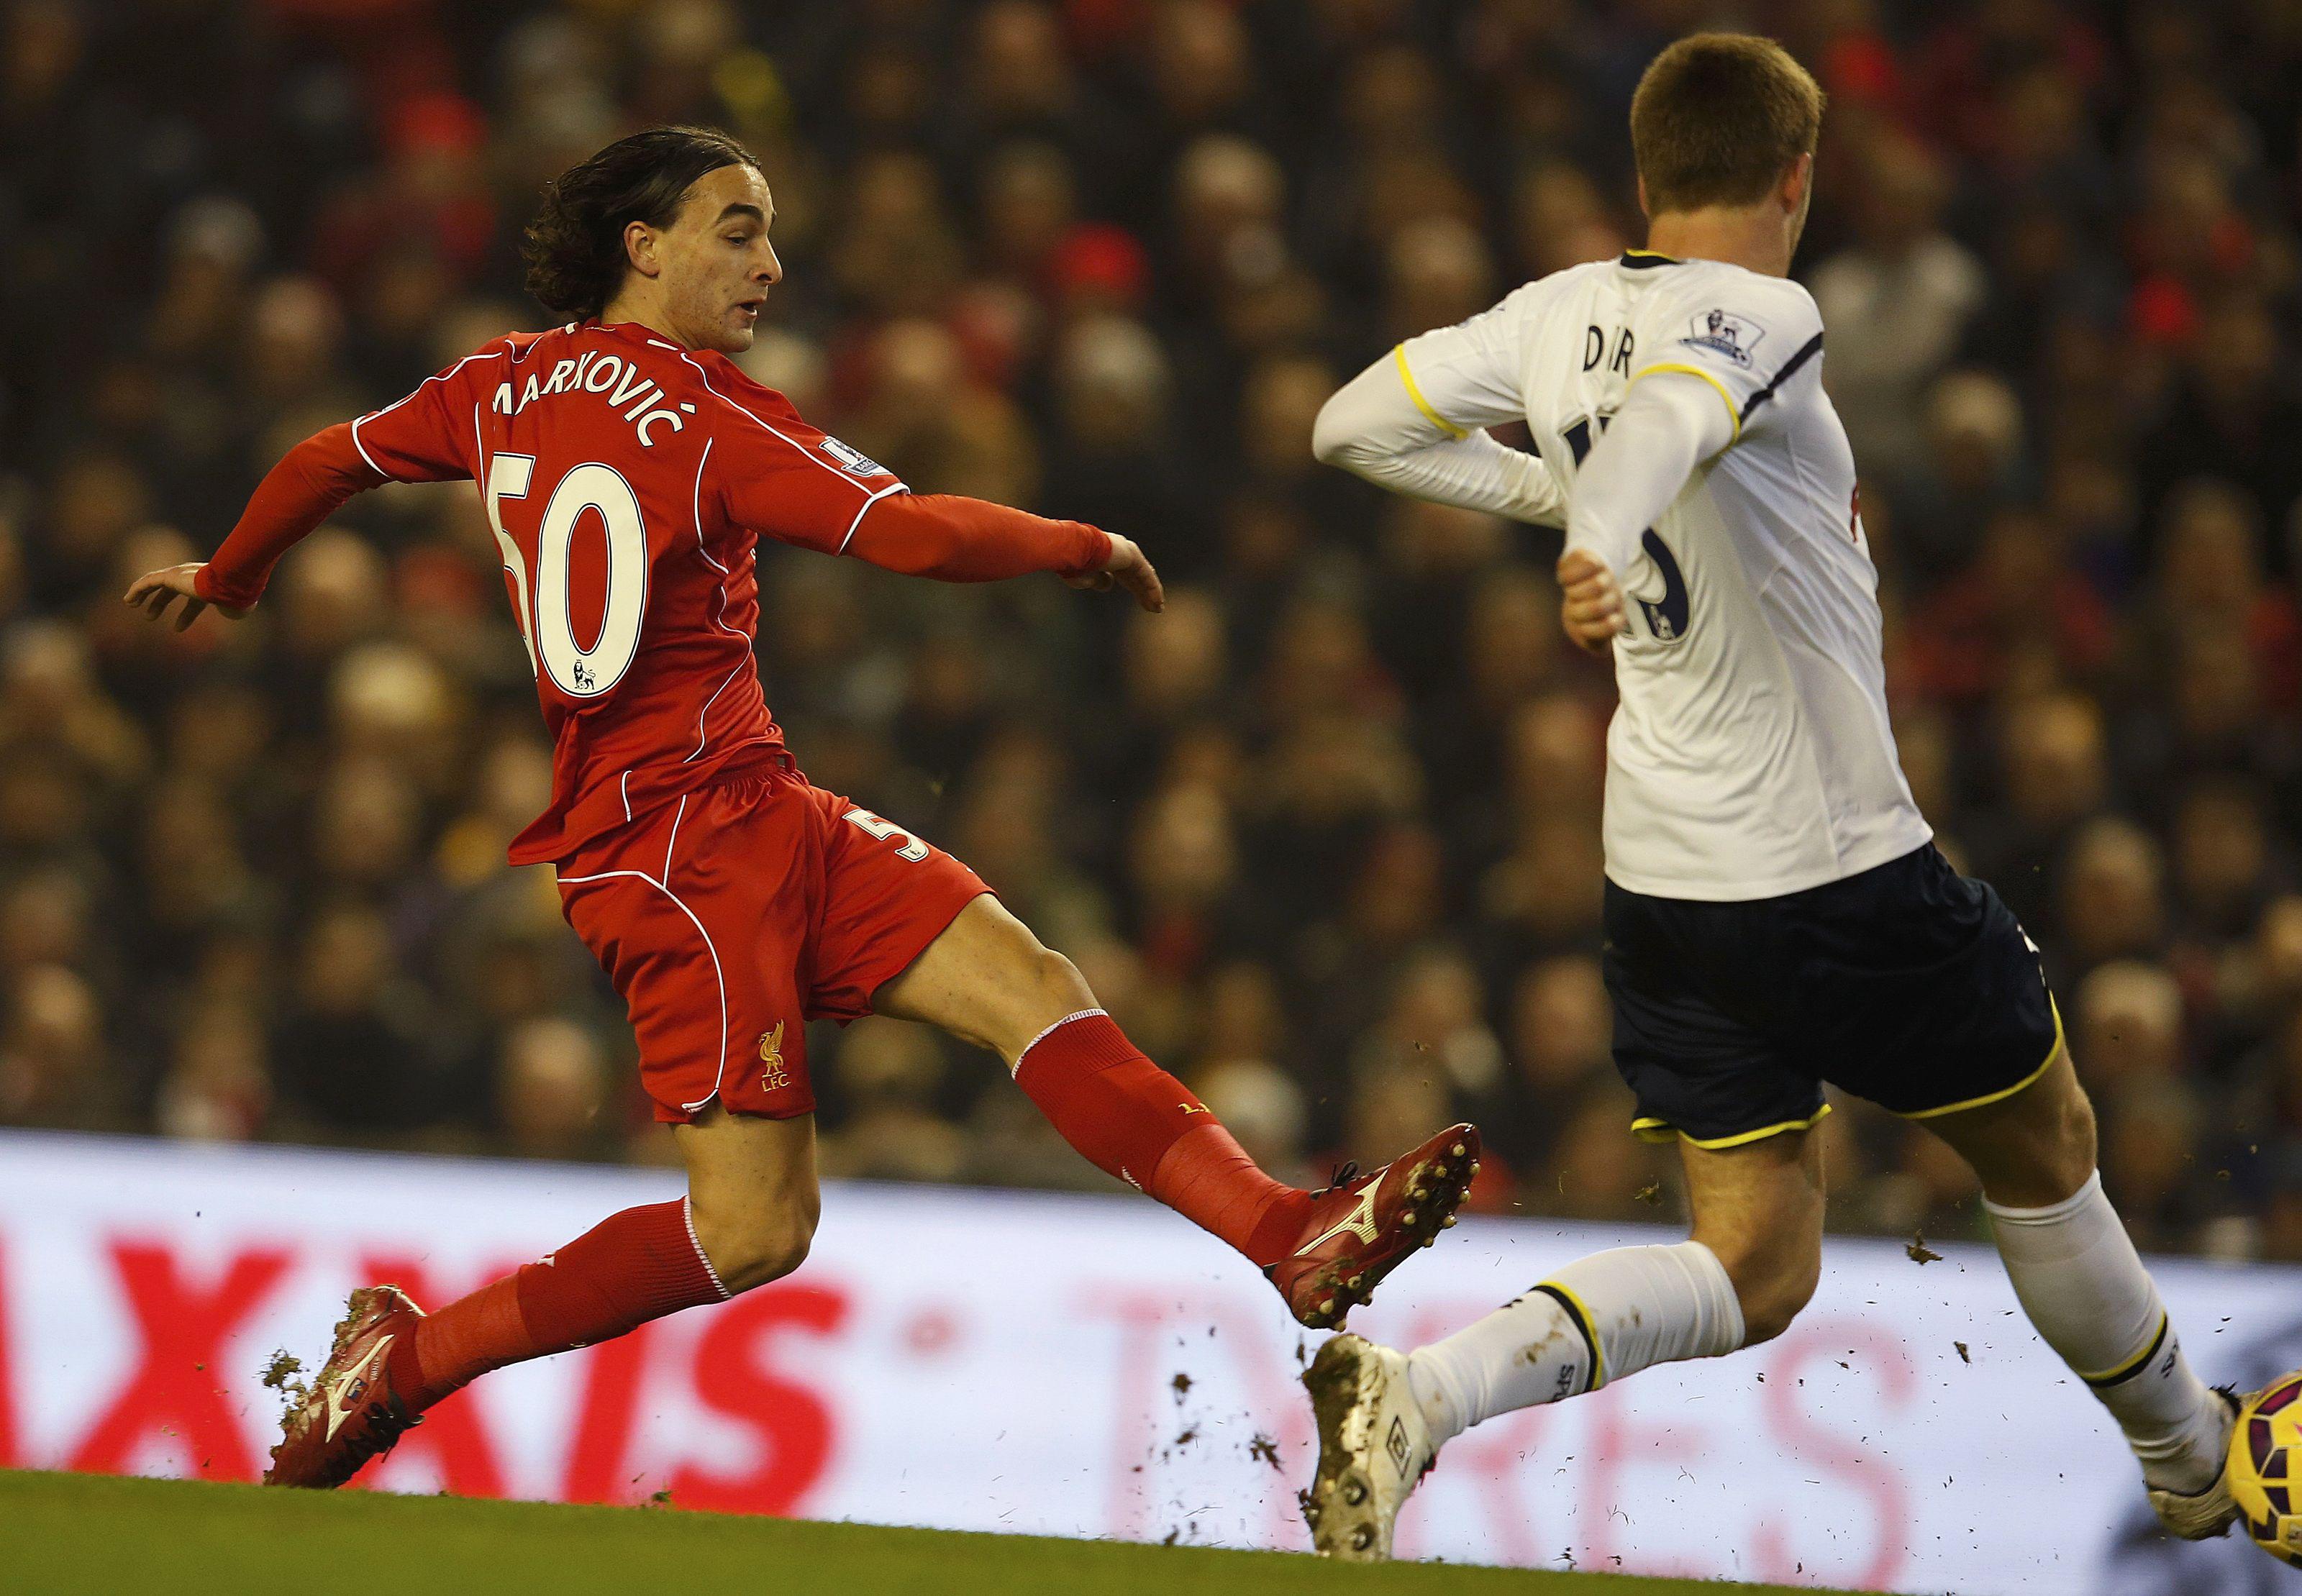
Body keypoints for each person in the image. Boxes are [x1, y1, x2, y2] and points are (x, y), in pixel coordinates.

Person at [127, 126, 1481, 1490]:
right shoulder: (707, 415)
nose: (770, 263)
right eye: (738, 228)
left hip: (759, 809)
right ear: (641, 246)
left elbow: (325, 457)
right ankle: (409, 1361)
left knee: (1030, 980)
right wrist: (1077, 542)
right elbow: (912, 536)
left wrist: (236, 578)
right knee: (753, 1233)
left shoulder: (498, 388)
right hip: (671, 855)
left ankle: (1287, 1233)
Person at [1299, 34, 2247, 1562]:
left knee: (1749, 1267)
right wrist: (1592, 524)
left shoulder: (1552, 315)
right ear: (1794, 180)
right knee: (2047, 1139)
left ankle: (1419, 1394)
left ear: (1644, 172)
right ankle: (2191, 1457)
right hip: (1834, 876)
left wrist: (1548, 488)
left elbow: (1350, 424)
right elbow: (1676, 414)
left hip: (1664, 893)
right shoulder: (1765, 309)